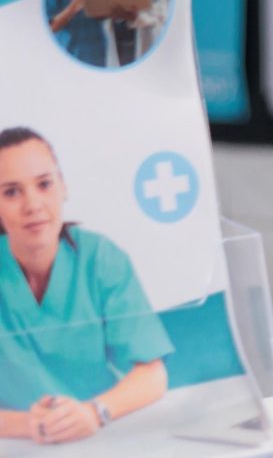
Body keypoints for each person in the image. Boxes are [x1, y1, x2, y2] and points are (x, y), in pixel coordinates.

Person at [0, 129, 171, 444]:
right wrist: (27, 425)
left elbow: (153, 375)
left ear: (63, 187)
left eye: (44, 184)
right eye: (11, 192)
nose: (33, 204)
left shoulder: (100, 259)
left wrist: (94, 413)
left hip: (103, 437)